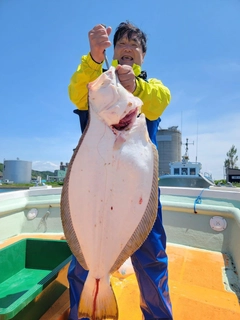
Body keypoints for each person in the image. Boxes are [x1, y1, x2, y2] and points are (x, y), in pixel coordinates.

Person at [67, 21, 173, 320]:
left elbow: (160, 101)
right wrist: (94, 59)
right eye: (122, 43)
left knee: (152, 259)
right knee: (83, 261)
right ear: (114, 50)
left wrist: (135, 86)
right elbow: (78, 93)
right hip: (94, 189)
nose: (127, 48)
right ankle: (84, 314)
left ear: (142, 55)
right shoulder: (97, 80)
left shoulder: (152, 89)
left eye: (134, 45)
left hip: (135, 195)